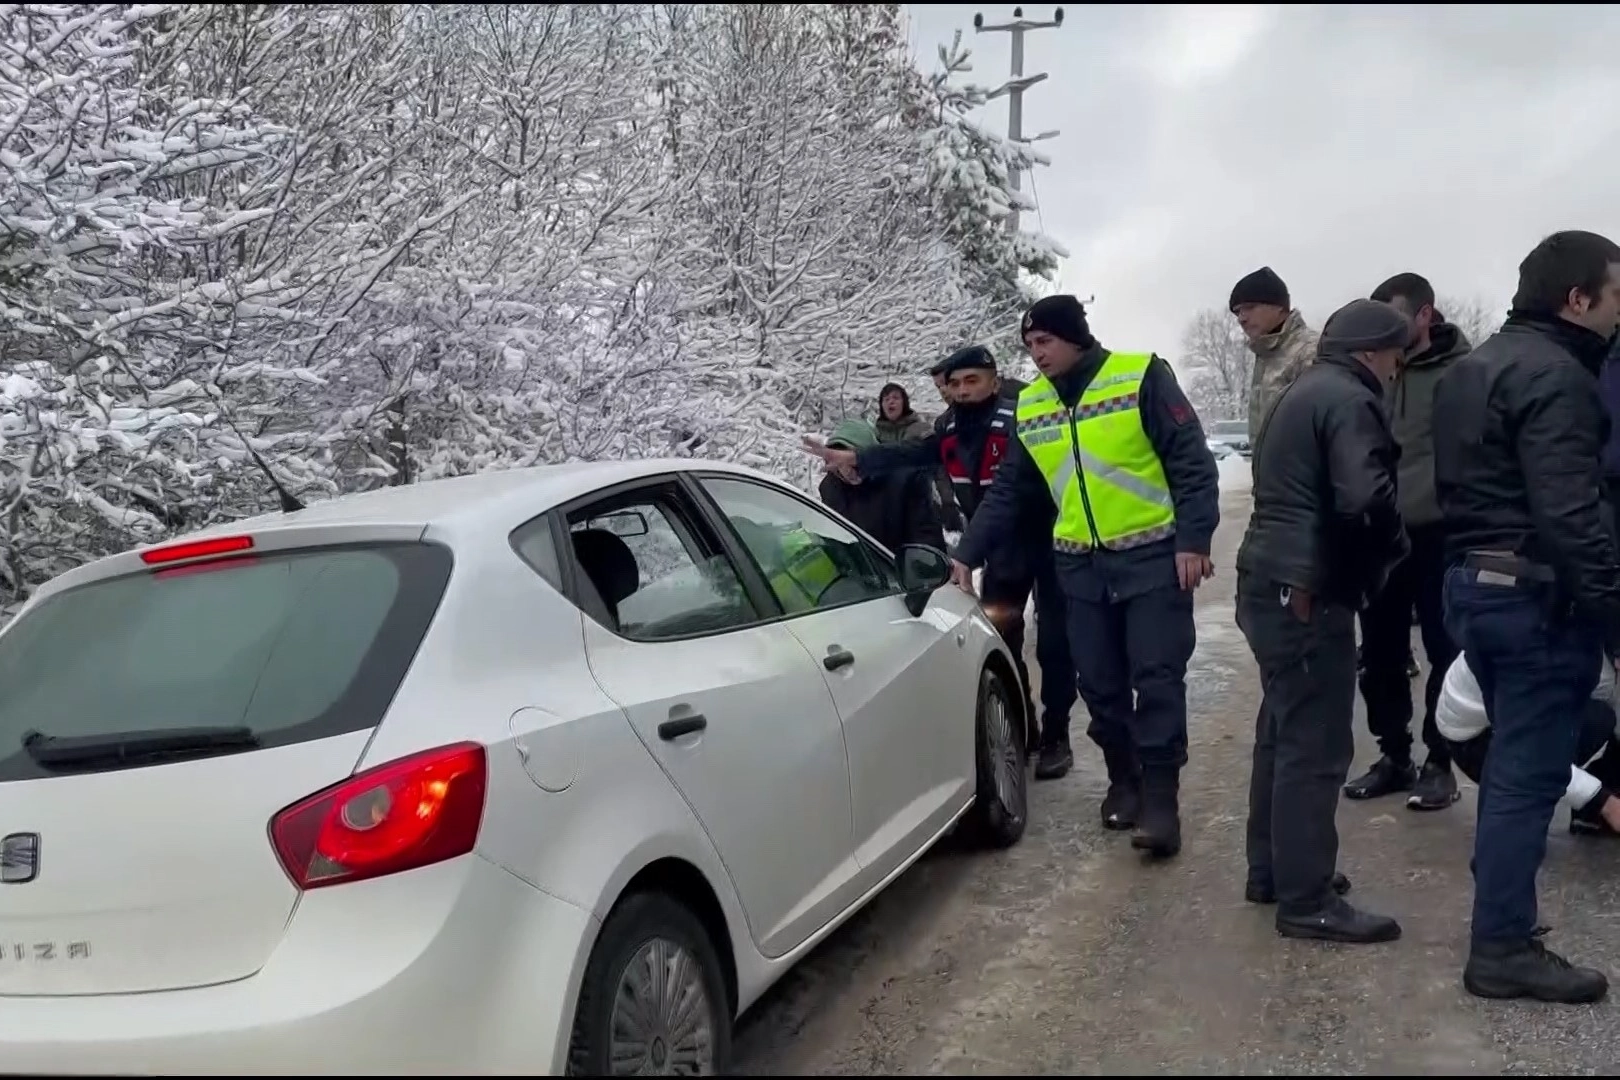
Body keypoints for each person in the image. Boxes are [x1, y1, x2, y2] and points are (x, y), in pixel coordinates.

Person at [949, 296, 1221, 856]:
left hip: (1151, 557)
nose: (1036, 354)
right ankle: (1125, 778)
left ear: (1075, 336)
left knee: (1157, 677)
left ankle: (1162, 800)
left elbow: (1191, 461)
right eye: (1028, 345)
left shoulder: (1138, 376)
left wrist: (1194, 538)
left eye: (1044, 341)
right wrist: (968, 551)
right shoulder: (1033, 406)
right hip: (1079, 565)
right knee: (1097, 683)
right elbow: (1010, 491)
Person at [1434, 229, 1620, 1003]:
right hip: (1535, 599)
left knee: (1515, 770)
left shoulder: (1470, 368)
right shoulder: (1559, 378)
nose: (1618, 315)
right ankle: (1502, 945)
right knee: (1527, 776)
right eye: (1614, 297)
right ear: (1577, 299)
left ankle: (1501, 903)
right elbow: (1573, 513)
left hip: (1475, 587)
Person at [803, 346, 1079, 776]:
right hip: (1000, 550)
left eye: (973, 381)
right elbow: (912, 453)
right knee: (1004, 636)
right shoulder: (949, 427)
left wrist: (965, 552)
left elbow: (1008, 491)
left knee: (1056, 642)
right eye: (956, 384)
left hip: (1050, 541)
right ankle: (1026, 728)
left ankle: (1058, 733)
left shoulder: (1020, 418)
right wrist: (858, 458)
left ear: (993, 380)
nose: (964, 391)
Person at [1235, 298, 1411, 944]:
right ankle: (1306, 899)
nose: (1397, 367)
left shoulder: (1303, 390)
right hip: (1305, 591)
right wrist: (1387, 556)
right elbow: (1365, 498)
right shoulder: (1348, 398)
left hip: (1267, 580)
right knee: (1316, 746)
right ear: (1371, 351)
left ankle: (1276, 871)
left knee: (1281, 733)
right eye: (1395, 353)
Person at [1343, 274, 1471, 811]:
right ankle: (1394, 755)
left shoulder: (1465, 372)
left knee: (1445, 652)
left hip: (1443, 535)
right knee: (1380, 655)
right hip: (1382, 535)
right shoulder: (1373, 372)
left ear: (1425, 315)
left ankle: (1441, 762)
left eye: (1396, 321)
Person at [1435, 652, 1620, 838]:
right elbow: (1532, 757)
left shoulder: (1586, 637)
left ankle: (1586, 811)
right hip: (1475, 741)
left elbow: (1601, 694)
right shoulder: (1524, 654)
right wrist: (1602, 801)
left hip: (1511, 715)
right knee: (1519, 824)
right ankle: (1515, 804)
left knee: (1600, 718)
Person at [817, 419, 945, 555]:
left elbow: (926, 537)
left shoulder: (906, 480)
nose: (846, 472)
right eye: (838, 466)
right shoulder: (830, 488)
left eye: (851, 464)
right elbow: (833, 538)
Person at [1229, 266, 1319, 449]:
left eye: (1249, 308)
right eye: (1238, 312)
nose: (1241, 318)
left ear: (1278, 307)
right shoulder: (1265, 353)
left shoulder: (1309, 351)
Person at [875, 381, 961, 533]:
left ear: (905, 403)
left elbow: (939, 468)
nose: (891, 402)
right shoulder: (874, 434)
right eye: (886, 399)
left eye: (896, 398)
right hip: (885, 506)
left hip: (921, 502)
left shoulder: (921, 430)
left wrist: (948, 502)